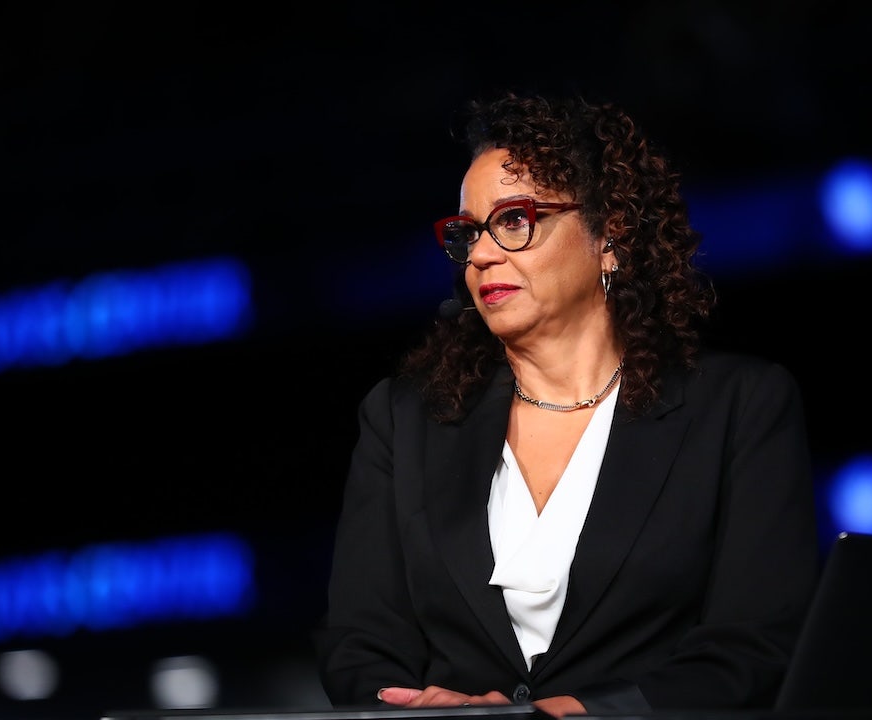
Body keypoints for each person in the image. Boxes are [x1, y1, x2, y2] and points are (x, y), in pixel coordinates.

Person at [313, 91, 820, 717]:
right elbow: (359, 643)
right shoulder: (404, 418)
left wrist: (568, 714)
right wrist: (420, 708)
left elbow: (756, 645)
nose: (482, 254)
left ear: (610, 236)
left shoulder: (738, 406)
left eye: (514, 220)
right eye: (468, 232)